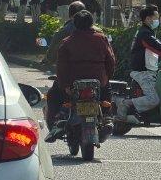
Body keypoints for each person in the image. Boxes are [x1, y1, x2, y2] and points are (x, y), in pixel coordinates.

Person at [47, 8, 117, 138]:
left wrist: (65, 85)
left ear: (74, 23)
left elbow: (61, 67)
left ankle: (55, 124)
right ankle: (107, 116)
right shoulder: (102, 39)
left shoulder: (67, 42)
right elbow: (111, 61)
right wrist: (106, 77)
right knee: (107, 94)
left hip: (73, 84)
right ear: (92, 23)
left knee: (52, 96)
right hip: (99, 82)